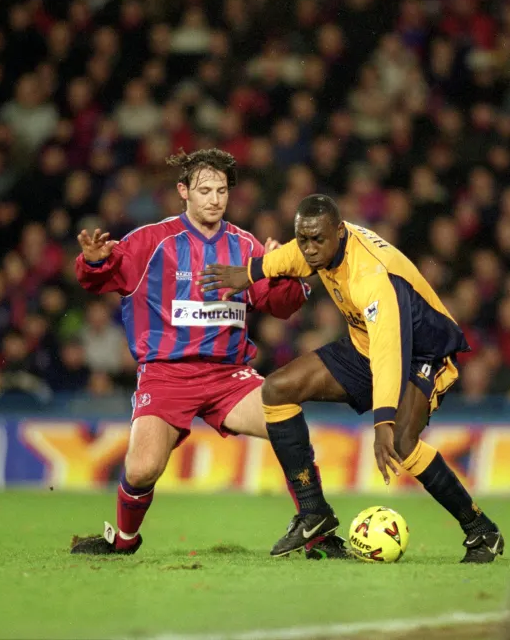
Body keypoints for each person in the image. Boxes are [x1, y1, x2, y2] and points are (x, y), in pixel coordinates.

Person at [69, 150, 346, 558]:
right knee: (143, 468)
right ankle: (124, 541)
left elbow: (279, 305)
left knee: (284, 417)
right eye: (204, 191)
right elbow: (100, 277)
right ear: (184, 192)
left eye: (221, 191)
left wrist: (287, 274)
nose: (214, 199)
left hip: (228, 376)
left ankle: (317, 528)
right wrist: (91, 263)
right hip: (165, 375)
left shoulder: (246, 244)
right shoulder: (151, 242)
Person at [200, 195, 505, 563]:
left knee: (404, 443)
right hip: (366, 345)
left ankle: (481, 530)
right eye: (304, 238)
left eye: (317, 241)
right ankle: (314, 513)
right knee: (278, 389)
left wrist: (383, 422)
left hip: (422, 354)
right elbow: (292, 256)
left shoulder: (372, 278)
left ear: (339, 232)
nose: (310, 250)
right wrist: (250, 272)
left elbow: (390, 353)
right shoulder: (318, 246)